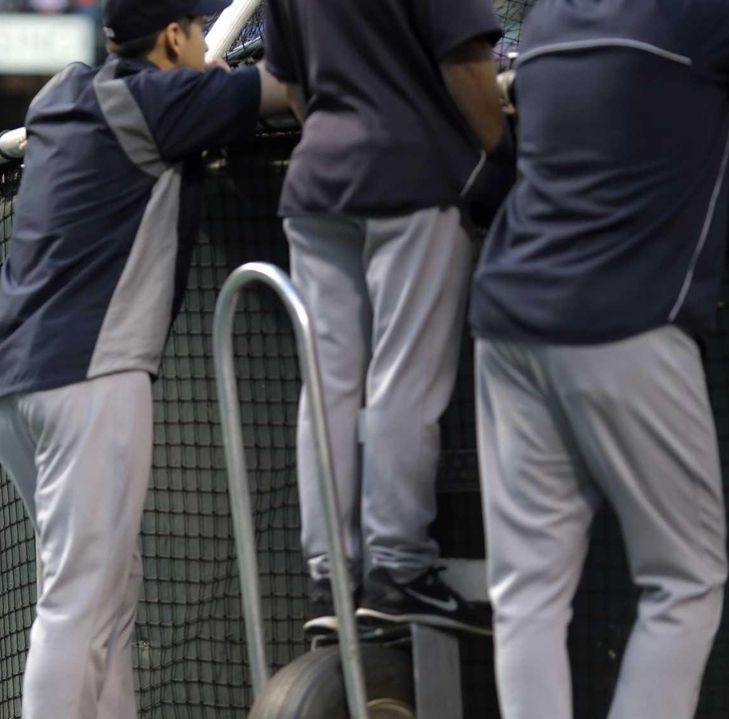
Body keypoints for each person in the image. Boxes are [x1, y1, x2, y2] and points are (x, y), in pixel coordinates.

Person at [469, 1, 729, 716]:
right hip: (624, 326)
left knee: (528, 591)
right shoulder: (692, 10)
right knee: (684, 582)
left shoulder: (543, 20)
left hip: (507, 323)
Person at [0, 1, 286, 714]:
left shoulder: (64, 92)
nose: (207, 40)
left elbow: (163, 91)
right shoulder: (163, 102)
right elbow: (289, 88)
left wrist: (197, 75)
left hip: (9, 383)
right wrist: (213, 81)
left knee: (107, 593)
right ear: (174, 36)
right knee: (82, 600)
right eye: (197, 31)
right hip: (88, 369)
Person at [260, 0, 508, 635]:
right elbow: (470, 62)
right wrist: (499, 156)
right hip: (412, 170)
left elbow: (290, 82)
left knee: (327, 386)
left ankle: (329, 575)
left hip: (318, 178)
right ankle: (398, 569)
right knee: (405, 376)